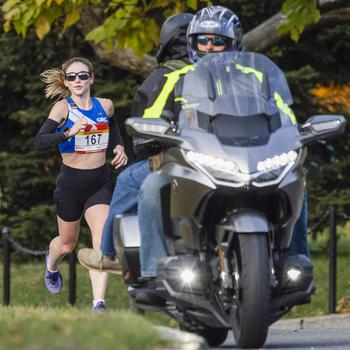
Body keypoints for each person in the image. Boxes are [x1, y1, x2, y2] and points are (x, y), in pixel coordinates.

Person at [77, 13, 194, 271]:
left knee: (131, 179)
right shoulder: (228, 73)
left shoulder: (167, 77)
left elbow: (145, 133)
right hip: (232, 160)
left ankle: (108, 253)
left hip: (185, 164)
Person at [35, 57, 127, 312]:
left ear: (91, 79)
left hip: (99, 183)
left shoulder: (105, 105)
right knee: (67, 244)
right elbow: (40, 141)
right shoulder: (62, 109)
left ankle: (98, 303)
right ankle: (52, 265)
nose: (77, 80)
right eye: (72, 77)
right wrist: (66, 133)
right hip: (71, 184)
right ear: (66, 82)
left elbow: (114, 128)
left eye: (83, 76)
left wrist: (119, 146)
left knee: (101, 242)